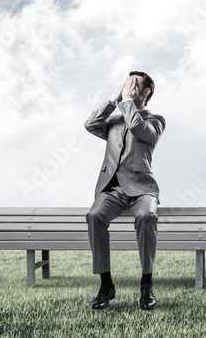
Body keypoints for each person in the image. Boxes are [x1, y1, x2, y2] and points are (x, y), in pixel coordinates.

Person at [83, 71, 166, 310]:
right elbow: (90, 124)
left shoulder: (155, 120)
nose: (128, 86)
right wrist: (114, 99)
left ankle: (147, 284)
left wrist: (127, 102)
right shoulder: (115, 122)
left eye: (134, 84)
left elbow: (140, 129)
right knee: (94, 216)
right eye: (126, 83)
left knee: (147, 216)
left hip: (142, 189)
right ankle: (106, 284)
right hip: (112, 189)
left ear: (146, 91)